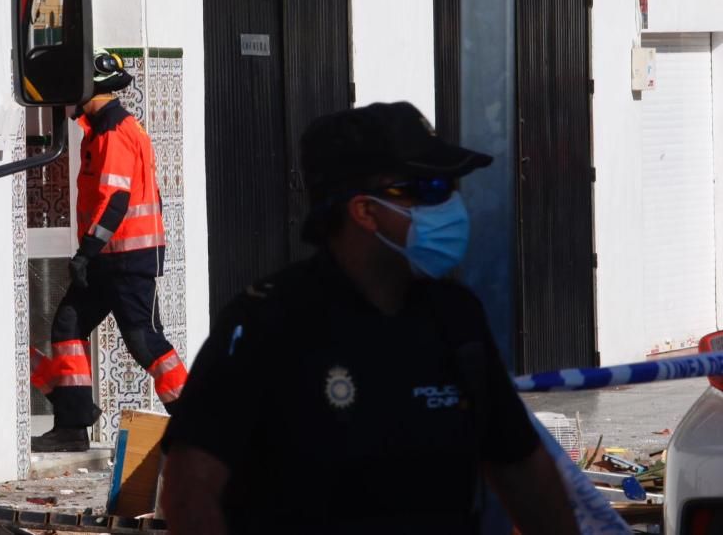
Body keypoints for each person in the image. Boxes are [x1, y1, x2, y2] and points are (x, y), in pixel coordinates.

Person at [160, 102, 578, 534]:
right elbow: (190, 491)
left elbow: (524, 473)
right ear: (365, 211)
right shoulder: (268, 324)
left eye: (452, 186)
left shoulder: (455, 318)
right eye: (431, 187)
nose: (451, 204)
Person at [30, 49, 187, 453]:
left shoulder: (115, 132)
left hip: (128, 259)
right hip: (107, 258)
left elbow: (115, 200)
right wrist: (92, 254)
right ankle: (73, 423)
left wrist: (86, 251)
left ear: (88, 89)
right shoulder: (100, 130)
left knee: (144, 343)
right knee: (67, 327)